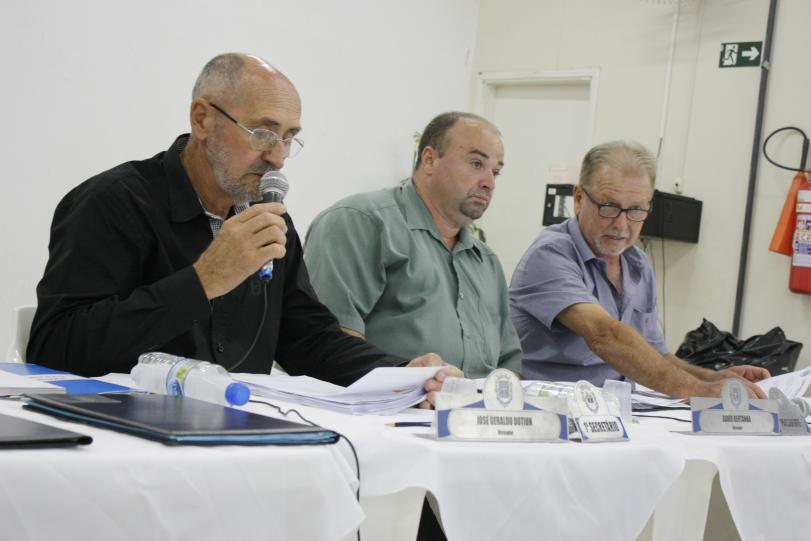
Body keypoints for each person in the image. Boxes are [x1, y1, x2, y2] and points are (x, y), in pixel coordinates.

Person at [28, 53, 458, 402]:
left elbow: (309, 338)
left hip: (238, 434)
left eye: (288, 137)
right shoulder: (112, 202)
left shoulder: (270, 218)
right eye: (263, 133)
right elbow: (55, 346)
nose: (278, 157)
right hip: (122, 435)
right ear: (202, 119)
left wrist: (400, 373)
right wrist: (202, 281)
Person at [509, 140, 769, 398]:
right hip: (553, 409)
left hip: (619, 409)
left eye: (635, 210)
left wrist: (712, 378)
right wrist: (697, 390)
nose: (621, 225)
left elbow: (657, 355)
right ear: (579, 199)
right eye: (609, 207)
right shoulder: (550, 254)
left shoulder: (637, 263)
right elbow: (605, 335)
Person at [304, 112, 522, 378]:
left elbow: (509, 365)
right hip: (385, 401)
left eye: (495, 172)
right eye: (477, 164)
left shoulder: (486, 261)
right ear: (429, 159)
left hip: (472, 404)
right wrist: (407, 378)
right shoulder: (362, 222)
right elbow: (327, 343)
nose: (489, 183)